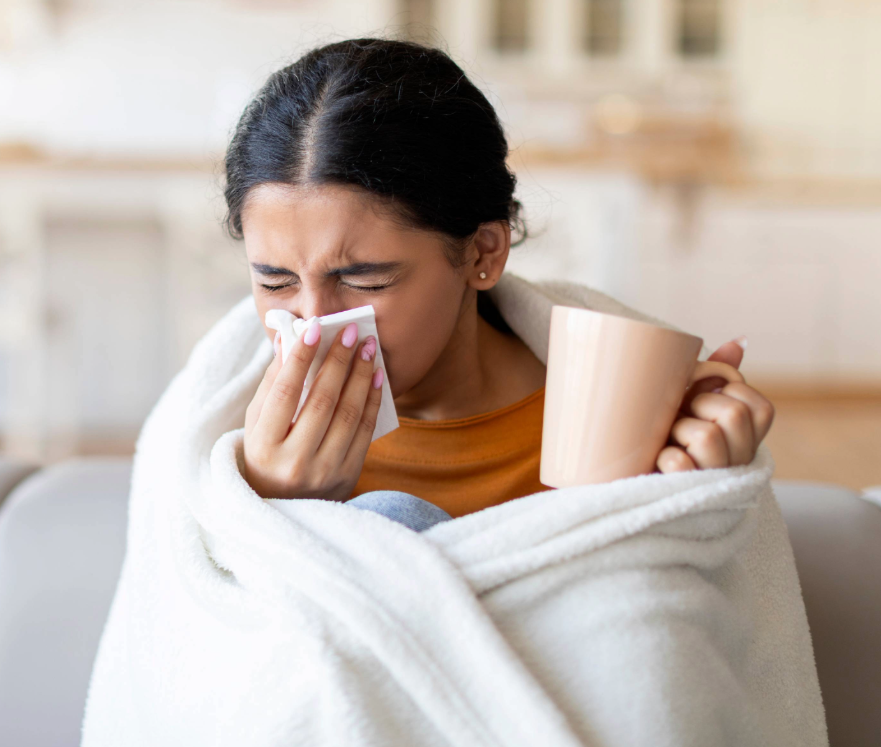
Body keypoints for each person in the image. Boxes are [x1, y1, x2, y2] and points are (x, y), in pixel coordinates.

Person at [225, 38, 775, 530]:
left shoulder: (615, 418)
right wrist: (270, 512)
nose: (313, 323)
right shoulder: (230, 429)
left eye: (366, 280)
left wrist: (699, 501)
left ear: (483, 252)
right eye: (275, 282)